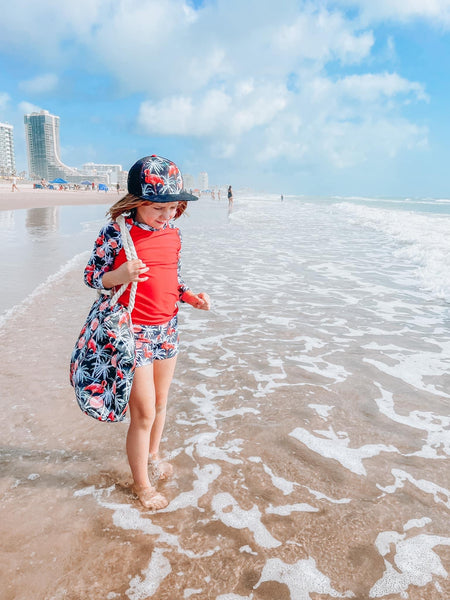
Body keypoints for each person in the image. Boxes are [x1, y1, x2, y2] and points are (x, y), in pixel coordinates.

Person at [84, 155, 210, 510]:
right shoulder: (116, 232)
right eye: (158, 207)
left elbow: (173, 279)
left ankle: (153, 456)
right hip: (131, 331)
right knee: (143, 413)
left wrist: (191, 298)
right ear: (137, 202)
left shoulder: (173, 233)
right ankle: (142, 486)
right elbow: (92, 277)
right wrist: (119, 275)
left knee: (160, 403)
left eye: (174, 206)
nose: (167, 215)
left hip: (166, 328)